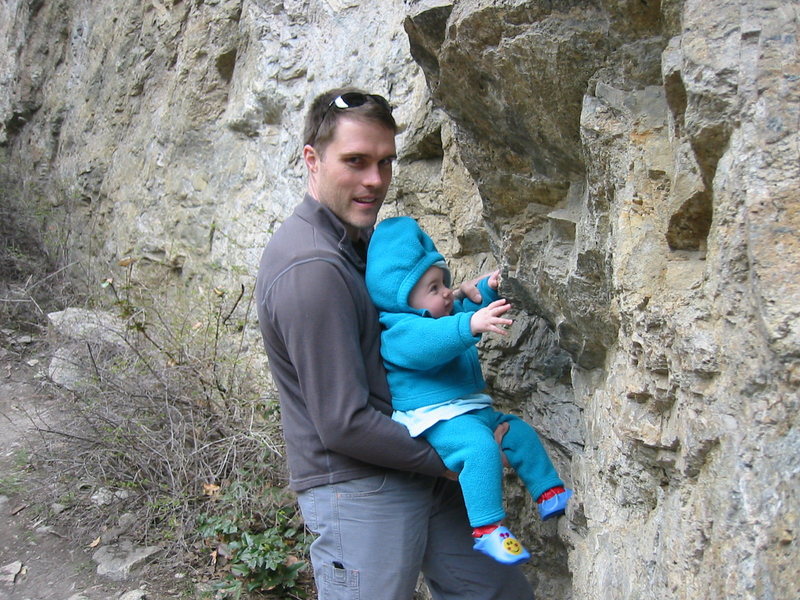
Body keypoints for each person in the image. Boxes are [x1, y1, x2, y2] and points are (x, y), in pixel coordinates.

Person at [255, 87, 535, 599]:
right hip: (358, 486)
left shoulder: (357, 244)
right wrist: (456, 458)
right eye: (356, 161)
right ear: (312, 160)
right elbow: (342, 422)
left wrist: (453, 300)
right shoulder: (311, 269)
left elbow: (393, 331)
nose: (374, 182)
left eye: (385, 162)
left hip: (413, 461)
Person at [365, 216, 573, 566]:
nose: (447, 292)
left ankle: (548, 490)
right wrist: (470, 323)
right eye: (433, 288)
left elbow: (464, 311)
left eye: (444, 282)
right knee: (479, 450)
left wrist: (487, 292)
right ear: (404, 299)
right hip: (437, 420)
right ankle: (488, 529)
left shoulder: (446, 314)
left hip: (471, 410)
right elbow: (430, 344)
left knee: (518, 433)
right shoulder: (399, 331)